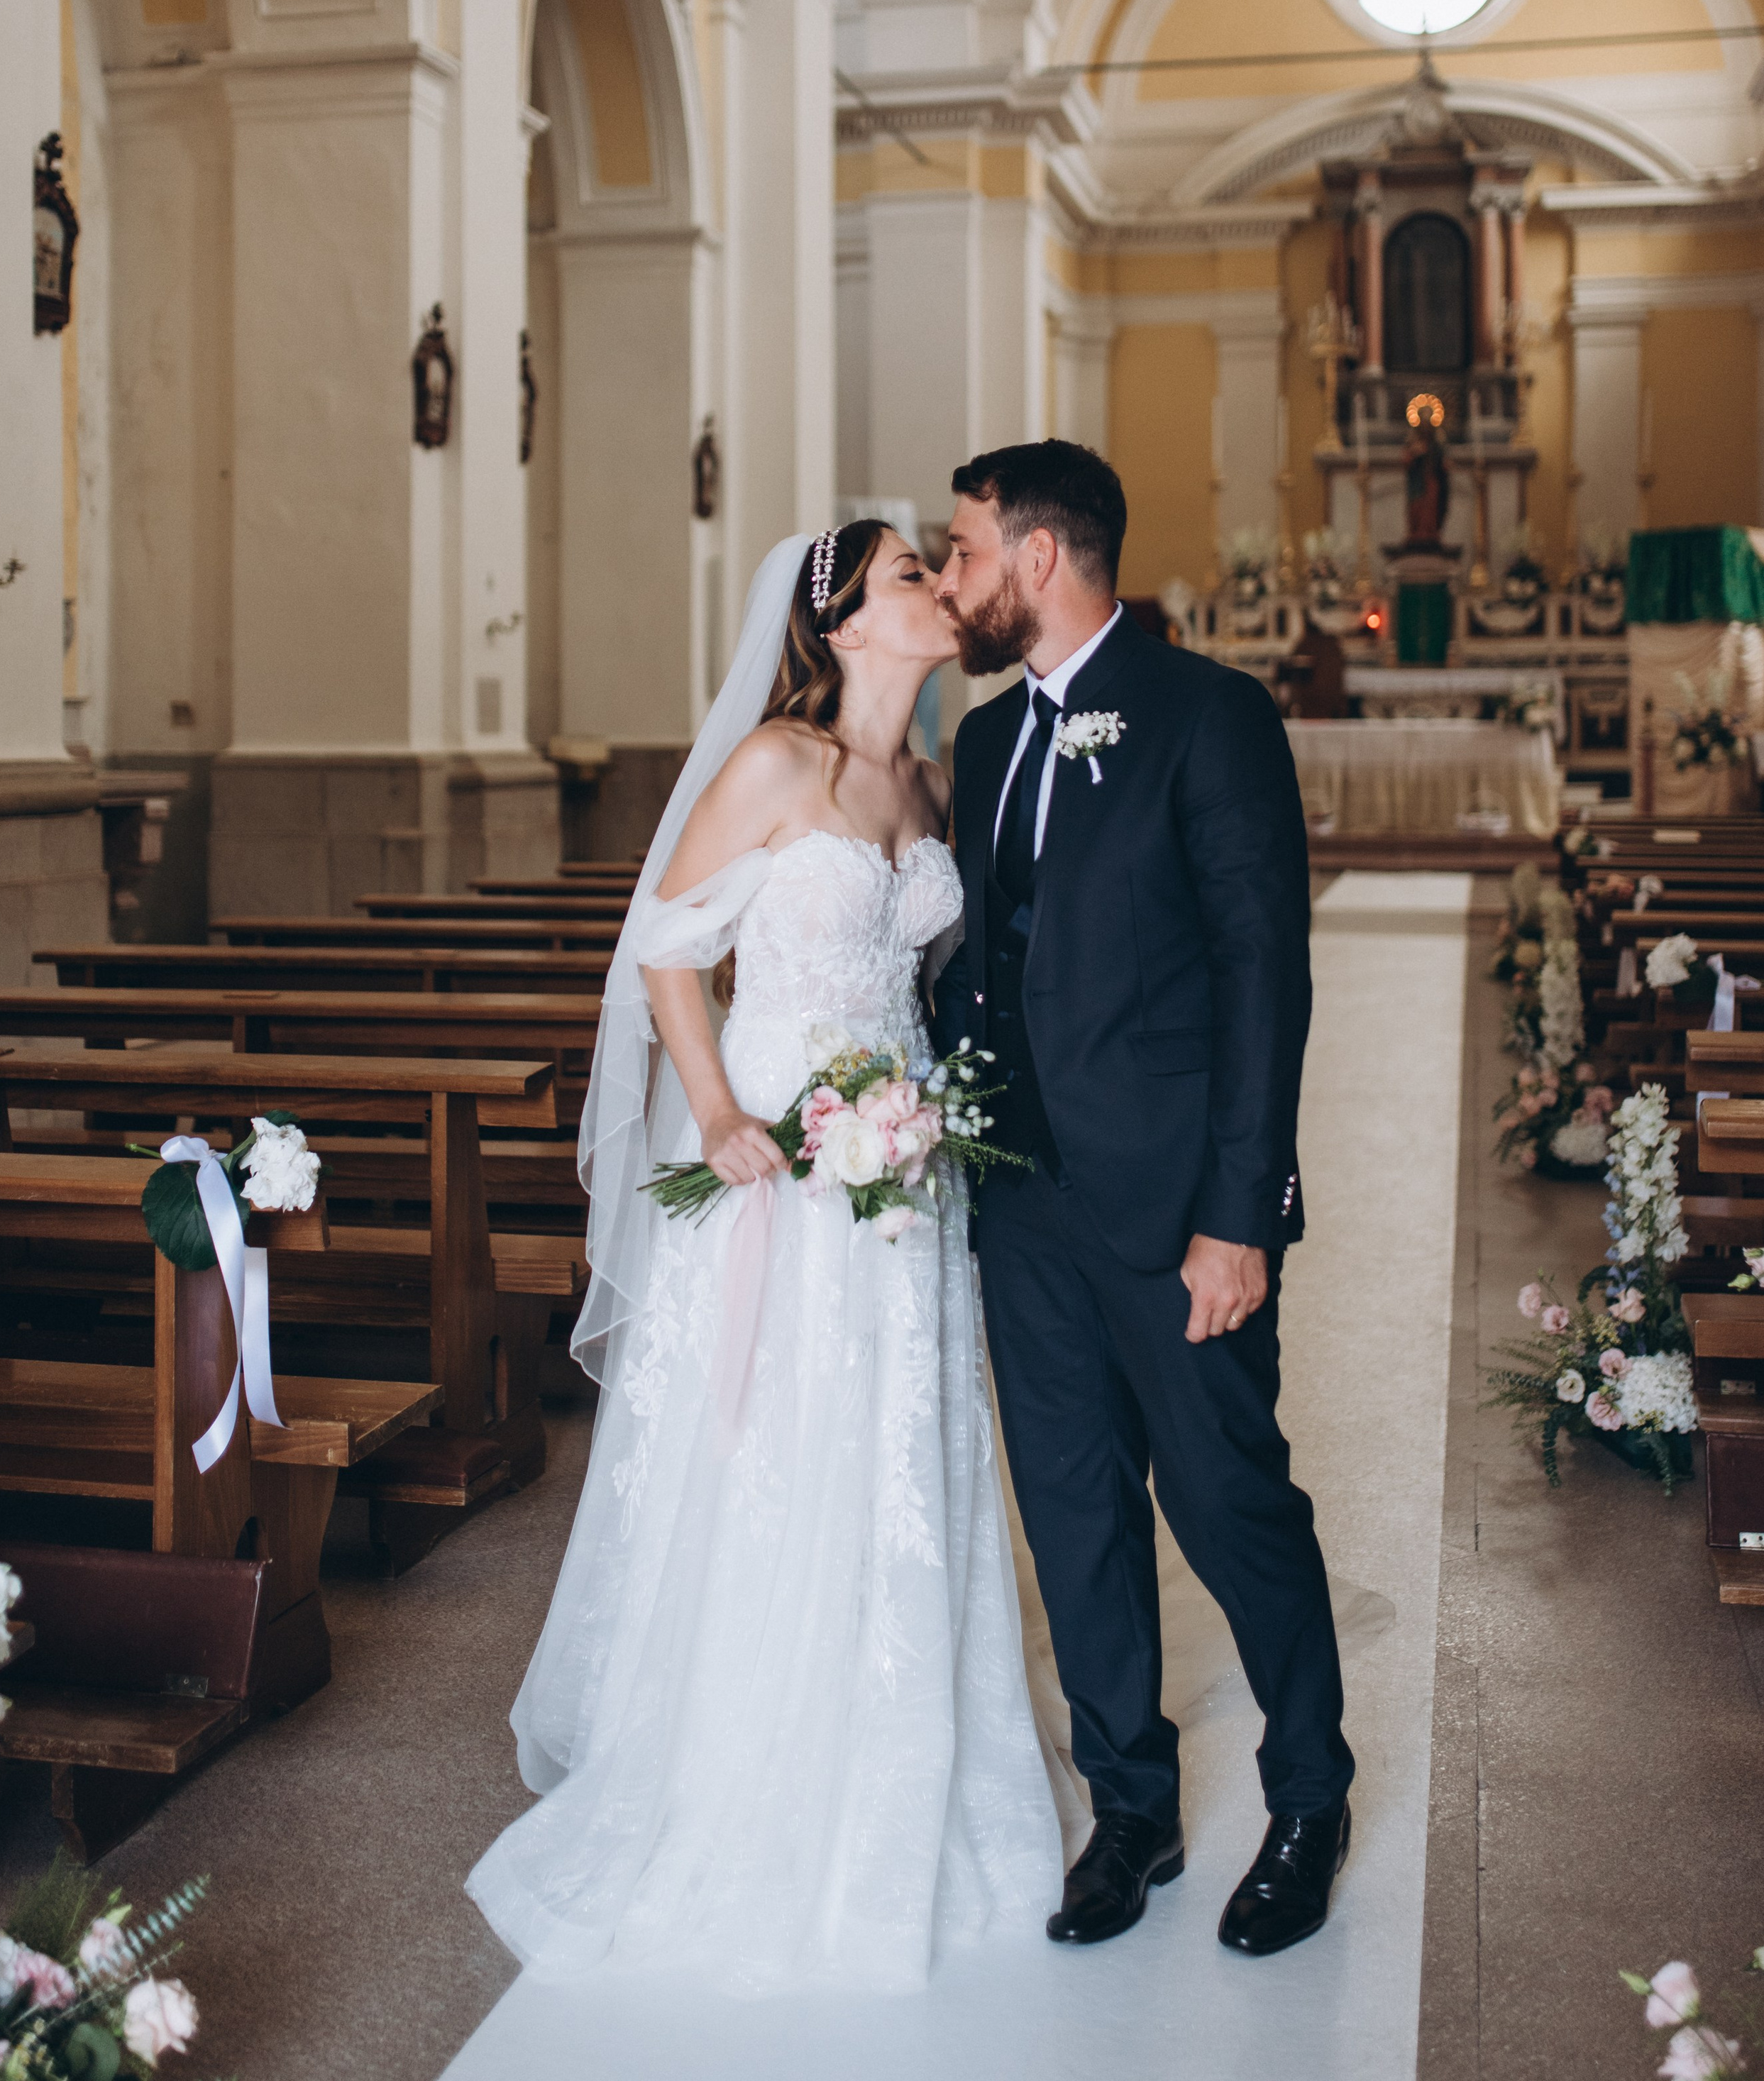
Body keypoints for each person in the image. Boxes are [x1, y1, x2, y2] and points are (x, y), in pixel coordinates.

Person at [466, 524, 1062, 1991]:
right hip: (783, 1156)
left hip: (906, 1162)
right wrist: (723, 1110)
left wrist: (925, 1109)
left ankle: (907, 1747)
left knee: (899, 1436)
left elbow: (934, 977)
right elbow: (667, 947)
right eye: (911, 574)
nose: (940, 587)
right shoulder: (776, 765)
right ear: (844, 625)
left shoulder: (933, 783)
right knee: (784, 1435)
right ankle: (752, 1757)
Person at [933, 438, 1354, 1958]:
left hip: (1178, 1209)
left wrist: (1240, 1217)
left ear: (1038, 557)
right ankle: (1131, 1809)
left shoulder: (1209, 716)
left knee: (1229, 1502)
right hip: (1022, 1203)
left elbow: (1263, 980)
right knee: (1074, 1514)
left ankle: (1307, 1800)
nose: (951, 580)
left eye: (963, 550)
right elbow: (982, 964)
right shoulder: (986, 740)